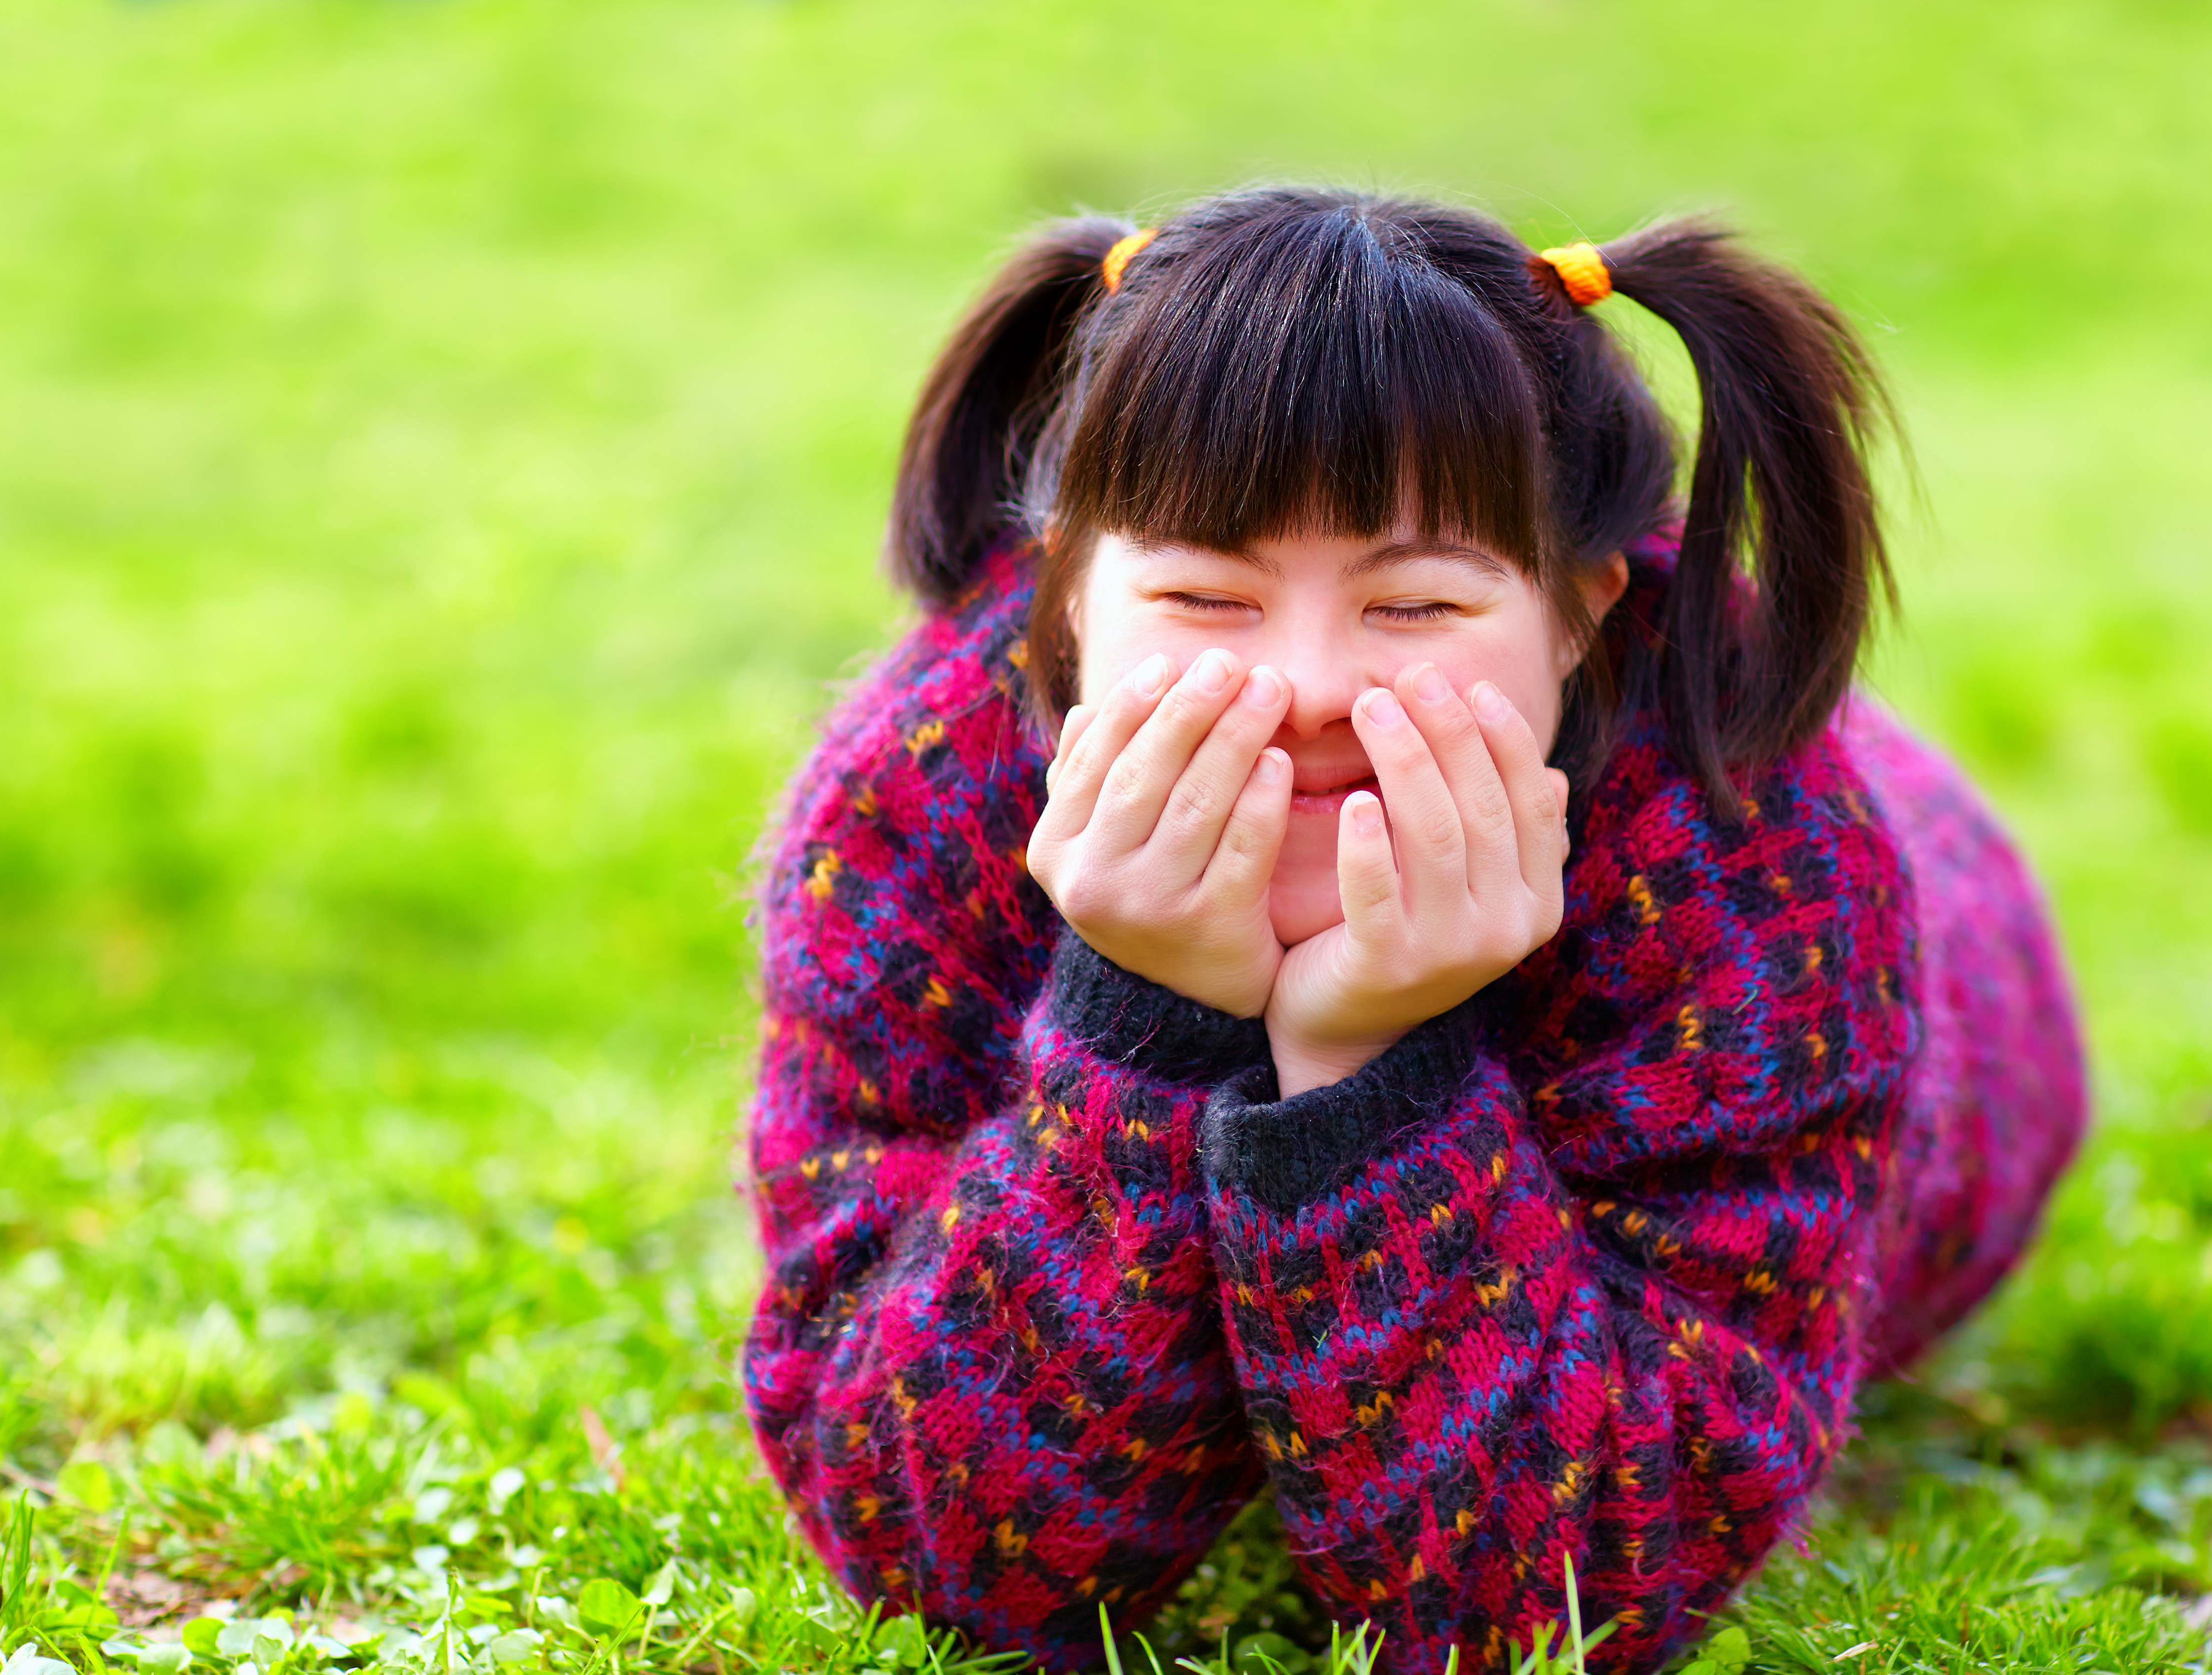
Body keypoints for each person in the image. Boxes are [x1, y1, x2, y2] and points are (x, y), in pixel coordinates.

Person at [739, 186, 2085, 1675]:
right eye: (1201, 593)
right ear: (1060, 594)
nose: (1309, 686)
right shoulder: (921, 795)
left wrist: (1370, 1074)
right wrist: (1140, 1025)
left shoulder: (1762, 874)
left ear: (1577, 609)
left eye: (1418, 604)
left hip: (1964, 976)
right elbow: (947, 1562)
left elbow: (1550, 1606)